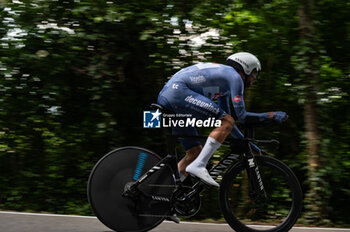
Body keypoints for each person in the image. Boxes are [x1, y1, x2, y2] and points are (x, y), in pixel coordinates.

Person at [157, 52, 288, 187]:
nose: (255, 79)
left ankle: (165, 191)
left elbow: (226, 121)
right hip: (177, 93)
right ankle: (199, 166)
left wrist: (246, 143)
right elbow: (241, 117)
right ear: (246, 68)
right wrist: (270, 115)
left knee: (195, 152)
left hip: (171, 97)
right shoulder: (235, 77)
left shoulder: (224, 84)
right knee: (227, 121)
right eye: (254, 73)